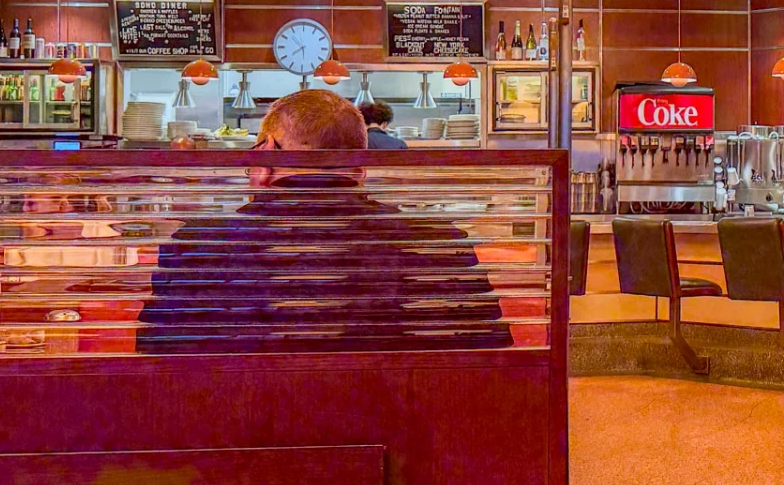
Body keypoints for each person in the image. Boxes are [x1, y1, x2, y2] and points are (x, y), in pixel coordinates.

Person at [136, 90, 510, 354]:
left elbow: (159, 357)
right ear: (362, 168)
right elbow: (486, 354)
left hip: (241, 443)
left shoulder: (199, 245)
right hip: (402, 439)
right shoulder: (437, 240)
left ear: (264, 154)